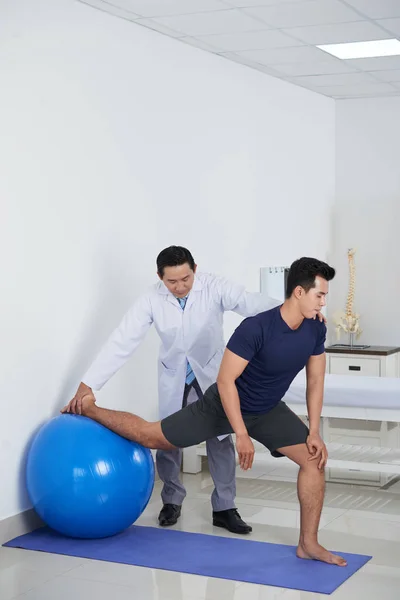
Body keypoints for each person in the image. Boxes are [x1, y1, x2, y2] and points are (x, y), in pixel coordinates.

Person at [62, 256, 345, 566]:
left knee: (314, 460)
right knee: (153, 437)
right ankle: (91, 409)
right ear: (299, 292)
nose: (323, 302)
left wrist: (314, 431)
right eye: (320, 295)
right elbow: (224, 380)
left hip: (266, 409)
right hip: (222, 402)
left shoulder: (314, 328)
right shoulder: (254, 328)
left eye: (324, 296)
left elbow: (315, 380)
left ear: (194, 271)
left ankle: (308, 543)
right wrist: (241, 434)